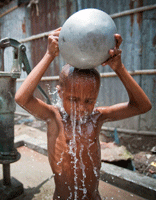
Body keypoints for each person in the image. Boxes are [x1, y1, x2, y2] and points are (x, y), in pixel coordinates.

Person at [15, 27, 152, 200]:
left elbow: (142, 106)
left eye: (89, 101)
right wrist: (49, 55)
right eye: (73, 99)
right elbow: (22, 98)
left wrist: (119, 67)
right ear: (60, 93)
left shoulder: (97, 117)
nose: (81, 107)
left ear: (96, 98)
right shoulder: (53, 117)